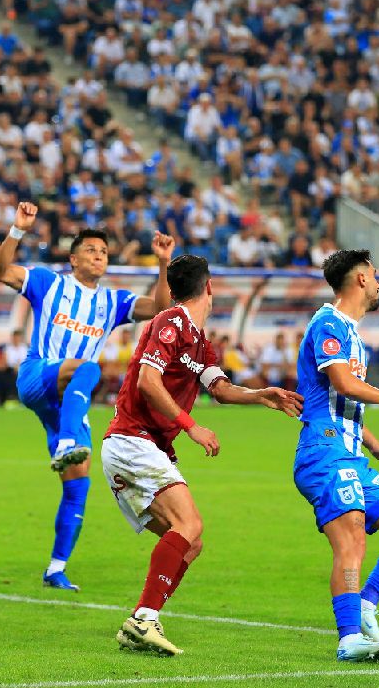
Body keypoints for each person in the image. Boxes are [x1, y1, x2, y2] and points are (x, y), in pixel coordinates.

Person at [103, 254, 302, 655]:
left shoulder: (199, 340)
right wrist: (192, 426)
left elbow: (221, 388)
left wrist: (259, 395)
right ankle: (144, 619)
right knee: (189, 523)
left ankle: (142, 619)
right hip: (133, 440)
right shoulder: (171, 321)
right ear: (209, 286)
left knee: (191, 542)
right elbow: (147, 381)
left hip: (142, 447)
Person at [0, 202, 175, 591]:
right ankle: (68, 442)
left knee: (79, 485)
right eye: (91, 250)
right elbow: (1, 271)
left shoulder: (113, 302)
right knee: (90, 368)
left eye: (104, 252)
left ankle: (56, 569)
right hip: (39, 374)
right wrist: (17, 230)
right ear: (73, 259)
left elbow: (162, 308)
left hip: (68, 399)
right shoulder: (49, 282)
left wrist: (163, 263)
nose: (99, 256)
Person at [295, 249, 379, 662]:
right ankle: (349, 637)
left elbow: (337, 397)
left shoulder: (351, 333)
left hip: (349, 454)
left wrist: (373, 443)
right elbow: (341, 382)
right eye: (375, 275)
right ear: (358, 280)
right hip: (324, 453)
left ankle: (367, 605)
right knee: (353, 538)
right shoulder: (328, 323)